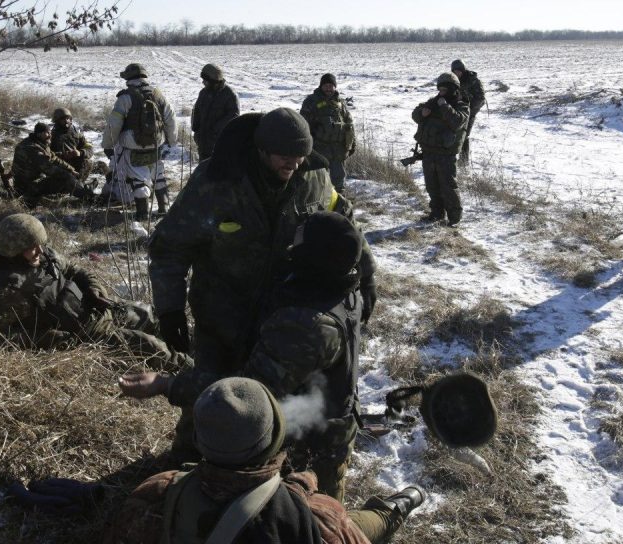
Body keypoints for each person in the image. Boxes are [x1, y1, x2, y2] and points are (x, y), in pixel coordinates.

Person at [148, 108, 377, 461]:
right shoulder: (216, 181)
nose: (294, 165)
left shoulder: (314, 175)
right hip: (221, 317)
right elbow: (169, 248)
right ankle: (188, 465)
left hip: (282, 319)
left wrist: (367, 273)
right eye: (285, 157)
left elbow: (344, 226)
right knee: (210, 401)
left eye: (300, 157)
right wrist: (169, 309)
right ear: (261, 150)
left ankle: (259, 466)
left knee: (269, 402)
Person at [120, 211, 365, 500]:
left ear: (314, 254)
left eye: (299, 241)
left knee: (308, 523)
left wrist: (166, 384)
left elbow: (246, 396)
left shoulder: (305, 326)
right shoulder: (344, 289)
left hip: (307, 452)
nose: (291, 246)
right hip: (329, 430)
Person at [103, 377, 426, 544]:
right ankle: (395, 509)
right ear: (275, 436)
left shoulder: (154, 496)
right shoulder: (316, 521)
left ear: (199, 440)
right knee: (360, 523)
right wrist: (300, 494)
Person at [0, 213, 185, 369]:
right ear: (14, 250)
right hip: (87, 335)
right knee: (152, 348)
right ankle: (200, 376)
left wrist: (93, 288)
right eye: (32, 247)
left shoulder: (44, 256)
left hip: (97, 309)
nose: (40, 251)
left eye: (39, 244)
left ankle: (203, 350)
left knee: (150, 315)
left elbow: (75, 270)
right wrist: (46, 339)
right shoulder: (10, 290)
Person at [101, 63, 177, 232]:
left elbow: (114, 124)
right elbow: (171, 119)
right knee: (158, 175)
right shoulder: (158, 95)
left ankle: (142, 214)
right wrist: (171, 141)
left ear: (128, 78)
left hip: (133, 147)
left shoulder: (125, 98)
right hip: (156, 144)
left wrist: (107, 144)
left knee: (138, 179)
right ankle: (164, 208)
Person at [412, 72, 470, 227]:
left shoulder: (461, 105)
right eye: (441, 89)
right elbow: (416, 114)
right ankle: (436, 214)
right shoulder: (433, 102)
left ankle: (454, 218)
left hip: (446, 154)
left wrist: (444, 106)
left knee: (448, 186)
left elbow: (457, 121)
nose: (442, 92)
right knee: (432, 186)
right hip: (429, 152)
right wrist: (421, 113)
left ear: (453, 89)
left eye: (445, 89)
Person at [11, 122, 95, 208]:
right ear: (39, 134)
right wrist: (68, 175)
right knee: (65, 178)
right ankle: (89, 197)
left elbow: (54, 158)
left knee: (67, 175)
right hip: (27, 187)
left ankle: (82, 190)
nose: (50, 135)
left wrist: (71, 169)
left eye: (50, 132)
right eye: (47, 133)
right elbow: (49, 168)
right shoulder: (32, 148)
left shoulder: (37, 142)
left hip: (31, 181)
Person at [300, 73, 356, 192]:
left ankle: (339, 207)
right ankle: (319, 206)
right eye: (326, 85)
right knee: (318, 182)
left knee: (338, 182)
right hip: (320, 149)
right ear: (321, 86)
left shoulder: (340, 103)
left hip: (338, 150)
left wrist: (352, 144)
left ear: (335, 87)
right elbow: (303, 125)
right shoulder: (311, 101)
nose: (328, 88)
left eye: (331, 86)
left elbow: (349, 123)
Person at [191, 63, 240, 161]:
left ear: (214, 81)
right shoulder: (203, 93)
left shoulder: (229, 95)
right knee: (203, 173)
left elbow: (233, 118)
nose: (203, 82)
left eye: (205, 80)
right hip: (203, 146)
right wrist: (196, 128)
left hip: (220, 147)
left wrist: (214, 132)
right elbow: (196, 111)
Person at [450, 59, 485, 163]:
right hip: (456, 112)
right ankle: (450, 158)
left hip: (469, 113)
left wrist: (469, 111)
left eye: (459, 71)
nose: (457, 73)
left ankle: (463, 162)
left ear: (463, 70)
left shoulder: (473, 80)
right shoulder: (453, 80)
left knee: (464, 136)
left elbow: (480, 99)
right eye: (455, 71)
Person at [50, 107, 93, 181]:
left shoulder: (76, 133)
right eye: (63, 119)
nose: (66, 121)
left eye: (68, 118)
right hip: (60, 165)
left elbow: (89, 148)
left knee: (90, 163)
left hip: (75, 163)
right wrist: (64, 155)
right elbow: (47, 154)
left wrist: (81, 152)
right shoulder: (51, 136)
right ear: (57, 121)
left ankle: (78, 184)